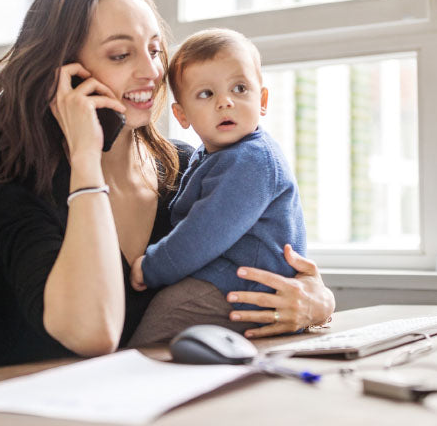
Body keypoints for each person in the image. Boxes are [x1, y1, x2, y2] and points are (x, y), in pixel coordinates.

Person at [0, 0, 334, 370]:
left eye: (154, 50)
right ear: (64, 75)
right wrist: (85, 158)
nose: (152, 72)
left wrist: (316, 302)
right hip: (20, 407)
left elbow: (277, 264)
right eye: (120, 54)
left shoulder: (187, 168)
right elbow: (93, 334)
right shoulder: (16, 188)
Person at [127, 28, 306, 346]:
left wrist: (152, 268)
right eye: (206, 94)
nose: (225, 102)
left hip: (241, 288)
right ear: (182, 115)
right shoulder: (209, 156)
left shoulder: (251, 160)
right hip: (232, 284)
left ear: (262, 100)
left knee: (148, 341)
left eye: (239, 88)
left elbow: (203, 232)